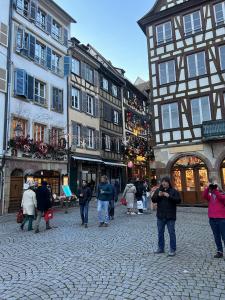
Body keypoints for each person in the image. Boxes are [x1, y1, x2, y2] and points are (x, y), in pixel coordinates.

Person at [152, 177, 181, 256]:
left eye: (165, 182)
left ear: (169, 183)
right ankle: (161, 248)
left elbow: (178, 200)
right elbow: (153, 200)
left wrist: (169, 196)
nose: (164, 183)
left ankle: (172, 249)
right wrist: (158, 196)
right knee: (160, 233)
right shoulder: (158, 190)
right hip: (160, 216)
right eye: (162, 182)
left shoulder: (173, 191)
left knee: (171, 233)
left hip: (170, 216)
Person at [203, 182, 225, 258]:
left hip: (222, 219)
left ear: (219, 187)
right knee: (216, 236)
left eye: (216, 186)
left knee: (224, 236)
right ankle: (219, 251)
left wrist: (215, 191)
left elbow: (221, 198)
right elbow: (204, 196)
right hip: (212, 219)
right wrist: (208, 188)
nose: (215, 188)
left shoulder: (223, 195)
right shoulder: (211, 196)